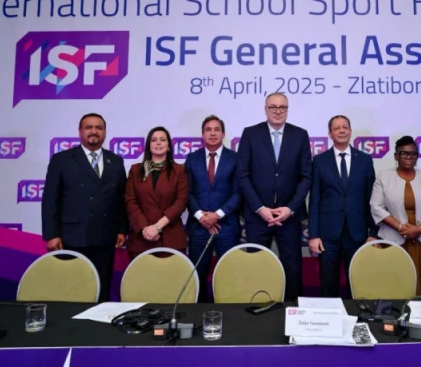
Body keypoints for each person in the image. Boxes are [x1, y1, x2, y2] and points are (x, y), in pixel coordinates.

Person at [41, 113, 128, 302]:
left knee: (101, 288)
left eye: (99, 127)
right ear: (80, 131)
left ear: (105, 132)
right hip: (72, 236)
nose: (94, 131)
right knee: (72, 288)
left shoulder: (116, 161)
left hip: (105, 237)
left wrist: (122, 229)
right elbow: (50, 200)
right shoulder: (62, 160)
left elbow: (121, 199)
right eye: (89, 127)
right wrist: (51, 234)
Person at [236, 92, 312, 301]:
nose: (278, 111)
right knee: (256, 266)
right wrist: (260, 208)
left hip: (289, 216)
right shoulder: (250, 134)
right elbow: (242, 175)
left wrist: (290, 208)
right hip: (258, 216)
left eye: (282, 107)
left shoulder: (300, 135)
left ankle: (293, 311)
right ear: (265, 109)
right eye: (273, 107)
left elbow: (306, 176)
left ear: (287, 109)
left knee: (293, 269)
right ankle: (256, 308)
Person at [308, 115, 377, 297]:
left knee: (357, 282)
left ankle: (358, 314)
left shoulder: (365, 160)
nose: (341, 131)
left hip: (357, 233)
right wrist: (313, 235)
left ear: (350, 131)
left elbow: (372, 199)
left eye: (345, 127)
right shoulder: (320, 161)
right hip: (328, 234)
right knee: (328, 283)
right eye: (337, 128)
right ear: (330, 134)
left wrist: (373, 233)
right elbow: (314, 199)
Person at [369, 136, 421, 295]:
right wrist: (402, 228)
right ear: (396, 156)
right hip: (394, 237)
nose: (408, 157)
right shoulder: (384, 176)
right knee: (397, 280)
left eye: (413, 153)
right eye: (403, 153)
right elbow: (376, 207)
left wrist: (420, 228)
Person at [186, 115, 241, 302]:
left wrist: (217, 215)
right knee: (197, 275)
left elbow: (239, 193)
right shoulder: (192, 159)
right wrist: (201, 216)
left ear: (223, 134)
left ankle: (228, 313)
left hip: (227, 227)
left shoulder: (235, 159)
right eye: (208, 130)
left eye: (217, 129)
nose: (212, 133)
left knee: (228, 274)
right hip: (198, 227)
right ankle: (198, 312)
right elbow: (186, 192)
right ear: (202, 134)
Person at [124, 126, 188, 261]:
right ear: (148, 145)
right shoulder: (135, 170)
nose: (158, 143)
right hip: (142, 238)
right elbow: (130, 201)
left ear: (169, 146)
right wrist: (146, 229)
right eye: (154, 140)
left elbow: (180, 202)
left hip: (170, 237)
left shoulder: (179, 171)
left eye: (162, 140)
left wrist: (157, 227)